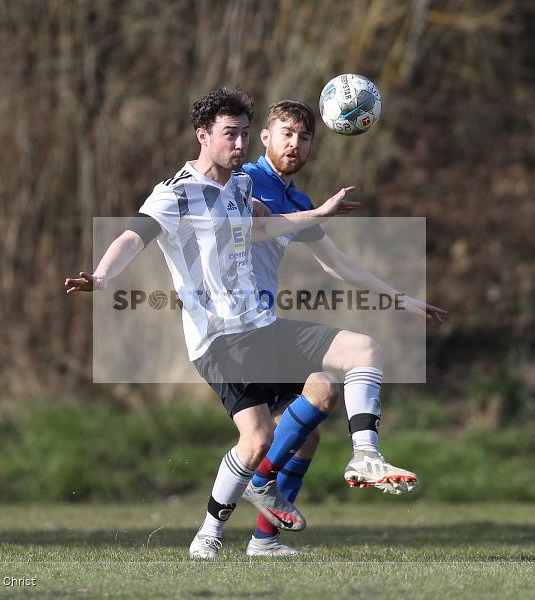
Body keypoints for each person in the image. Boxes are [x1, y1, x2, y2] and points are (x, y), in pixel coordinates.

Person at [65, 87, 370, 560]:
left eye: (246, 134)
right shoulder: (175, 194)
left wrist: (317, 214)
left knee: (310, 397)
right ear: (203, 136)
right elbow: (134, 235)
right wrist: (103, 276)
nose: (240, 144)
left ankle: (238, 536)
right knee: (259, 437)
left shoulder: (242, 186)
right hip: (217, 339)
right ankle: (216, 530)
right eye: (231, 134)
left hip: (258, 326)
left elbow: (269, 225)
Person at [238, 100, 448, 556]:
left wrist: (400, 298)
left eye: (305, 137)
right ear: (266, 138)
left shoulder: (298, 200)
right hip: (230, 330)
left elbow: (337, 265)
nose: (295, 144)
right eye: (286, 133)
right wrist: (319, 215)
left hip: (262, 322)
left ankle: (265, 541)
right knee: (357, 354)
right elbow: (253, 226)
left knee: (313, 416)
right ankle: (360, 456)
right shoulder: (242, 180)